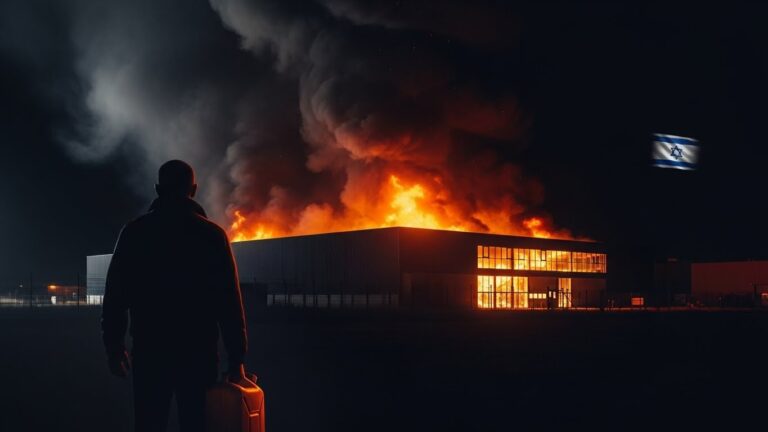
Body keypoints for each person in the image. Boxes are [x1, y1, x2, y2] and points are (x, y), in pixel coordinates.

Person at [101, 160, 248, 432]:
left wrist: (114, 346)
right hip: (199, 353)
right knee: (196, 423)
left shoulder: (134, 232)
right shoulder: (212, 235)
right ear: (193, 189)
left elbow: (116, 294)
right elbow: (229, 301)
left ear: (158, 189)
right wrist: (236, 357)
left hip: (150, 350)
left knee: (149, 422)